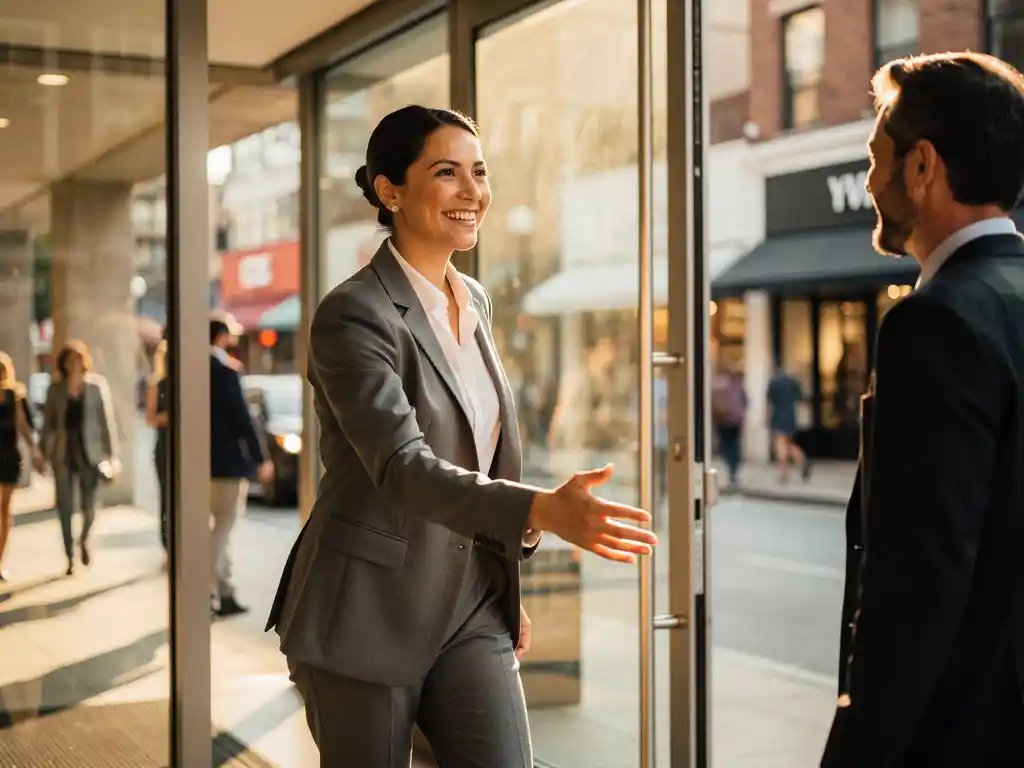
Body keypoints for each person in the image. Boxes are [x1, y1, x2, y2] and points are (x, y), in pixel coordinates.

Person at [266, 105, 656, 767]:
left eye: (479, 172)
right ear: (390, 191)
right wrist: (542, 509)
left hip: (471, 602)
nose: (473, 191)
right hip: (366, 608)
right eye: (446, 173)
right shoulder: (352, 315)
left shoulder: (472, 298)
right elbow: (404, 468)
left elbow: (481, 451)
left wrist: (506, 589)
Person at [823, 51, 1024, 767]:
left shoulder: (932, 323)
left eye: (879, 158)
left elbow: (917, 588)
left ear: (922, 166)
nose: (871, 182)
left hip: (962, 731)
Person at [209, 312, 273, 618]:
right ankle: (210, 590)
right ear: (222, 337)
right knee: (222, 531)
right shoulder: (224, 369)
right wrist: (261, 457)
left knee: (215, 530)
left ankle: (224, 592)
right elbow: (242, 418)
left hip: (194, 465)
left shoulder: (185, 366)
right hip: (226, 465)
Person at [40, 340, 120, 576]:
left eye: (78, 358)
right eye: (69, 359)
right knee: (65, 506)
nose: (74, 363)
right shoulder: (56, 389)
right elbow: (47, 424)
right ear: (63, 363)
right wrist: (42, 453)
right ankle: (69, 555)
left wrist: (112, 456)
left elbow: (107, 422)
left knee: (89, 507)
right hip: (64, 453)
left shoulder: (96, 387)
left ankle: (83, 539)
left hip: (90, 454)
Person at [0, 352, 43, 580]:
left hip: (7, 457)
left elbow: (25, 428)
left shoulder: (15, 396)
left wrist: (35, 452)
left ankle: (0, 560)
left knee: (4, 509)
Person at [146, 338, 170, 569]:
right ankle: (168, 548)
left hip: (186, 449)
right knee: (166, 499)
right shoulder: (156, 384)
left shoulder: (188, 382)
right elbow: (151, 419)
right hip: (164, 449)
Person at [766, 365, 811, 483]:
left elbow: (769, 403)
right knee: (789, 443)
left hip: (778, 415)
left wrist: (767, 417)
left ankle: (783, 471)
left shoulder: (773, 383)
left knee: (780, 443)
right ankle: (802, 460)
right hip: (790, 416)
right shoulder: (793, 382)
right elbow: (801, 400)